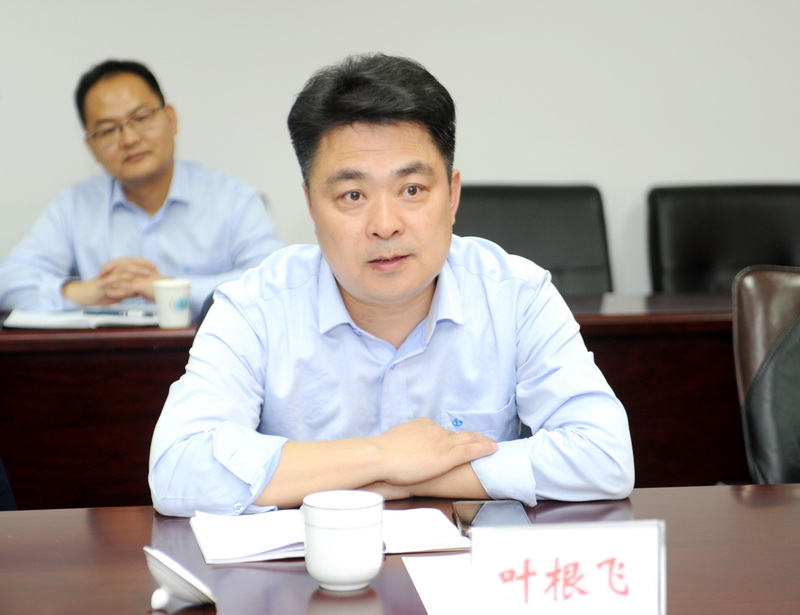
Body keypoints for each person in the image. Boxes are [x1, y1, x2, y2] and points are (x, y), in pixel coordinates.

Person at [149, 53, 634, 517]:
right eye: (352, 195)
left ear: (452, 196)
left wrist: (405, 478)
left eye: (412, 190)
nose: (385, 225)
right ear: (311, 205)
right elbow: (177, 470)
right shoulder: (253, 306)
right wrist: (383, 456)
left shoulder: (516, 294)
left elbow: (605, 457)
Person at [0, 60, 283, 315]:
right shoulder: (75, 206)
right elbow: (9, 280)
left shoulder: (233, 199)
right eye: (108, 130)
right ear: (91, 147)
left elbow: (273, 282)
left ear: (171, 119)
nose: (130, 139)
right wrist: (85, 292)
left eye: (141, 118)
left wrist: (169, 289)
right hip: (105, 356)